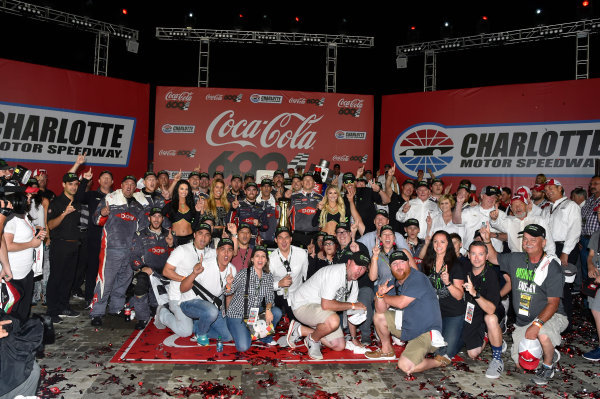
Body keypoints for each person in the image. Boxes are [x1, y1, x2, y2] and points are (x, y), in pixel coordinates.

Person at [483, 224, 567, 385]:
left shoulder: (551, 266)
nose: (527, 243)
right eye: (525, 239)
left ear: (543, 242)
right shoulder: (516, 259)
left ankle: (548, 365)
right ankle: (548, 351)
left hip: (552, 316)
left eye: (533, 240)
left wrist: (536, 325)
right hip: (523, 320)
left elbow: (553, 304)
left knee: (541, 333)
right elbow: (494, 258)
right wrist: (487, 241)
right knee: (522, 363)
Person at [365, 250, 444, 375]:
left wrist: (381, 296)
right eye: (394, 264)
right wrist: (380, 296)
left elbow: (401, 303)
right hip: (408, 325)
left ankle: (438, 361)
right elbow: (381, 310)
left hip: (425, 332)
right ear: (390, 268)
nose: (399, 266)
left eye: (402, 262)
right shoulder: (393, 282)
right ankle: (386, 350)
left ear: (408, 263)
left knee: (405, 366)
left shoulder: (418, 278)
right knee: (379, 316)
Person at [286, 251, 370, 359]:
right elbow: (326, 305)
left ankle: (299, 330)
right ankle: (313, 340)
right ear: (349, 262)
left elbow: (351, 313)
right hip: (302, 305)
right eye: (357, 265)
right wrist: (353, 305)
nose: (359, 270)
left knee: (339, 345)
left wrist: (354, 338)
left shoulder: (354, 283)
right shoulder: (335, 272)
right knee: (334, 321)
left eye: (363, 268)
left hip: (320, 310)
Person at [90, 175, 149, 327]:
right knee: (105, 282)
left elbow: (142, 230)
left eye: (132, 184)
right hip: (112, 249)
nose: (129, 187)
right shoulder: (110, 199)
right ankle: (97, 312)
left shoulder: (138, 206)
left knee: (124, 282)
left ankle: (115, 308)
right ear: (121, 185)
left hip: (130, 251)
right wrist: (102, 213)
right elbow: (95, 220)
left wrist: (139, 250)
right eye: (126, 184)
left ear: (135, 188)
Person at [158, 223, 216, 337]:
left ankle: (194, 320)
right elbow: (166, 271)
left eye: (207, 235)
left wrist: (233, 235)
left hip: (198, 298)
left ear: (210, 239)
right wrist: (186, 280)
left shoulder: (211, 253)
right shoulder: (182, 249)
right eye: (200, 233)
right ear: (194, 235)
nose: (203, 237)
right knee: (186, 331)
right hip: (178, 297)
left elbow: (231, 253)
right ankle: (163, 313)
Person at [224, 245, 282, 352]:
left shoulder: (268, 276)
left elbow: (270, 298)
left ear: (266, 260)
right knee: (243, 347)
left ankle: (263, 337)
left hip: (253, 314)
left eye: (263, 256)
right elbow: (229, 291)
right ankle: (250, 332)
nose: (260, 259)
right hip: (237, 315)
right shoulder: (244, 273)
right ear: (252, 259)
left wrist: (268, 309)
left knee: (276, 312)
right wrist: (228, 284)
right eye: (257, 256)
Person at [179, 238, 236, 345]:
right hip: (189, 302)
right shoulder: (205, 265)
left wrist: (229, 287)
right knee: (211, 312)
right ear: (217, 251)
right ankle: (201, 334)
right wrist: (194, 273)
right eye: (223, 249)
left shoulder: (232, 270)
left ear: (233, 253)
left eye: (230, 250)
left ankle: (198, 327)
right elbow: (182, 289)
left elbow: (228, 297)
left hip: (211, 306)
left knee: (228, 336)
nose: (226, 253)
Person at [461, 241, 505, 379]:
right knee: (473, 353)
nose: (477, 258)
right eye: (473, 253)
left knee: (490, 318)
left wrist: (475, 293)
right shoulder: (465, 268)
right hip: (473, 311)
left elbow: (491, 309)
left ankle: (497, 358)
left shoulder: (491, 274)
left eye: (481, 254)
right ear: (468, 255)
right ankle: (489, 335)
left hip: (490, 310)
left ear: (486, 256)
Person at [421, 230, 466, 362]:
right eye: (435, 241)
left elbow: (459, 296)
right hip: (434, 314)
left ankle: (463, 334)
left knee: (445, 354)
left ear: (448, 245)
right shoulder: (428, 263)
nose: (438, 245)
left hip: (453, 313)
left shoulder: (455, 265)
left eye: (442, 242)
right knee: (431, 349)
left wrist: (448, 283)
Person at [543, 178, 581, 329]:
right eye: (546, 189)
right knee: (550, 287)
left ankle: (566, 323)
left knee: (564, 288)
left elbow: (575, 230)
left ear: (560, 189)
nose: (548, 191)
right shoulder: (547, 208)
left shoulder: (571, 206)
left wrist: (565, 252)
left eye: (552, 188)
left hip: (566, 249)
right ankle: (552, 318)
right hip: (550, 250)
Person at [4, 192, 47, 321]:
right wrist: (31, 243)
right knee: (12, 311)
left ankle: (21, 336)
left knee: (24, 310)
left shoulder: (25, 216)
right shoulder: (11, 219)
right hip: (13, 273)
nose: (29, 199)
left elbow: (26, 236)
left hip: (27, 271)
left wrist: (38, 234)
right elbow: (7, 246)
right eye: (26, 197)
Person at [46, 172, 83, 323]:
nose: (73, 187)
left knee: (68, 279)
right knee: (56, 278)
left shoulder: (78, 202)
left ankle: (63, 306)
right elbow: (50, 225)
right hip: (60, 244)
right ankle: (52, 310)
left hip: (74, 245)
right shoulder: (56, 203)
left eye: (75, 184)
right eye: (70, 184)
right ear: (63, 185)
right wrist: (64, 213)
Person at [129, 207, 174, 330]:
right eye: (154, 216)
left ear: (162, 219)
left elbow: (178, 258)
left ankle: (155, 307)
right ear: (149, 218)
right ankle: (142, 318)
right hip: (147, 273)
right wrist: (143, 267)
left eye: (159, 216)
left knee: (164, 310)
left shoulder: (169, 234)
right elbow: (133, 257)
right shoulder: (139, 235)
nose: (156, 219)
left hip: (166, 275)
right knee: (140, 283)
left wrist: (171, 245)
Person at [76, 168, 113, 307]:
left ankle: (107, 298)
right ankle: (89, 297)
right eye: (103, 177)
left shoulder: (116, 196)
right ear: (98, 181)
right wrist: (85, 180)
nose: (106, 180)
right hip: (94, 238)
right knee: (92, 268)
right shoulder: (91, 195)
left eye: (109, 178)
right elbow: (78, 198)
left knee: (109, 270)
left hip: (111, 240)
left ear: (112, 182)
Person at [489, 194, 555, 254]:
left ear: (526, 206)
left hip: (534, 257)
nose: (517, 208)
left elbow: (549, 242)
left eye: (520, 204)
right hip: (516, 257)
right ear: (511, 209)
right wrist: (494, 219)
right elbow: (497, 224)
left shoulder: (538, 220)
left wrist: (551, 258)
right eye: (514, 206)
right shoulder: (509, 221)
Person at [269, 226, 308, 323]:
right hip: (278, 293)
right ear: (275, 240)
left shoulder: (302, 253)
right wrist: (279, 284)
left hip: (297, 293)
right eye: (280, 238)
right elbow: (265, 285)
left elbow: (306, 276)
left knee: (298, 322)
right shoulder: (271, 259)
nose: (283, 241)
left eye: (286, 237)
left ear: (291, 239)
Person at [453, 186, 504, 254]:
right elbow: (456, 222)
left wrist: (493, 235)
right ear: (482, 196)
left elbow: (508, 237)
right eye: (489, 195)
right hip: (471, 254)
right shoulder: (469, 211)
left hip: (494, 255)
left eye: (494, 196)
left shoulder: (502, 214)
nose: (492, 199)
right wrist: (459, 204)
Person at [162, 180, 199, 246]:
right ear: (177, 190)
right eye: (182, 189)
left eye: (186, 189)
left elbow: (195, 223)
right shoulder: (171, 205)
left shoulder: (192, 205)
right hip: (175, 240)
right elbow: (159, 216)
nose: (184, 191)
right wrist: (166, 232)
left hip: (189, 239)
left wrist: (198, 212)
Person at [290, 173, 323, 248]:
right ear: (302, 182)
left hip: (314, 235)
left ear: (314, 183)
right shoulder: (293, 197)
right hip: (297, 235)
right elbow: (286, 215)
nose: (308, 182)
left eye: (310, 180)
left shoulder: (321, 198)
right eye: (305, 180)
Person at [584, 212, 600, 361]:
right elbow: (591, 255)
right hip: (596, 279)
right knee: (595, 310)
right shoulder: (596, 234)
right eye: (599, 213)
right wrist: (590, 266)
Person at [580, 176, 600, 286]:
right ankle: (587, 301)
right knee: (586, 272)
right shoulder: (588, 201)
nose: (592, 186)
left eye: (596, 183)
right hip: (585, 241)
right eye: (591, 184)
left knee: (597, 272)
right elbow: (582, 221)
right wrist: (579, 239)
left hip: (597, 242)